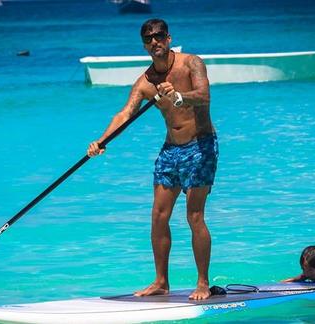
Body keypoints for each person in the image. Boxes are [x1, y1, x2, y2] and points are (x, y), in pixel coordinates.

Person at [87, 18, 218, 300]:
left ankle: (203, 283)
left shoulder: (191, 63)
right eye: (148, 39)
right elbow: (124, 114)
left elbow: (204, 96)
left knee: (194, 216)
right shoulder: (146, 82)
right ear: (144, 45)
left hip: (201, 145)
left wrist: (180, 97)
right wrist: (102, 141)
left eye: (159, 36)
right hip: (171, 150)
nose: (154, 42)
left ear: (169, 38)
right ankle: (161, 282)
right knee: (158, 216)